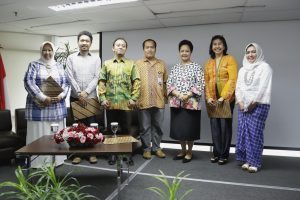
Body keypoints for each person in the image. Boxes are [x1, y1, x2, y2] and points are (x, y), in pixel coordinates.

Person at [24, 41, 69, 168]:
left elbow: (66, 83)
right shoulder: (34, 65)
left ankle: (57, 160)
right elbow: (28, 82)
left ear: (53, 51)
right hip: (39, 107)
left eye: (50, 50)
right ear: (41, 51)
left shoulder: (59, 66)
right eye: (45, 50)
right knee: (40, 133)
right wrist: (43, 97)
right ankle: (38, 162)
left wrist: (60, 95)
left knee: (55, 133)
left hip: (56, 107)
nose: (47, 53)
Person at [98, 37, 140, 165]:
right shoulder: (106, 64)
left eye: (123, 45)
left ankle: (127, 155)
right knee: (111, 131)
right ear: (113, 48)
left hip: (126, 104)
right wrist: (103, 98)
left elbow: (137, 81)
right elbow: (101, 82)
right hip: (110, 104)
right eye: (118, 45)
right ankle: (112, 155)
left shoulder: (131, 64)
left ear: (126, 48)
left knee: (126, 130)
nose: (120, 47)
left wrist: (134, 98)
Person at [235, 43, 272, 173]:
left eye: (253, 52)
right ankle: (247, 160)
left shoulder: (265, 67)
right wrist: (239, 101)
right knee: (244, 133)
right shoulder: (242, 69)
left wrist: (254, 103)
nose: (250, 55)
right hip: (243, 106)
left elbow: (263, 87)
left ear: (258, 53)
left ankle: (255, 162)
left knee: (255, 133)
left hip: (259, 105)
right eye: (248, 52)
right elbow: (238, 87)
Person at [66, 31, 101, 164]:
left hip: (91, 97)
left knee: (91, 126)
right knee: (77, 127)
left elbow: (96, 77)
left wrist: (86, 92)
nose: (84, 43)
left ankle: (92, 153)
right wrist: (79, 92)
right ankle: (78, 153)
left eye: (87, 41)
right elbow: (70, 76)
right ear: (78, 42)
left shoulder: (96, 58)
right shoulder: (71, 58)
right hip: (76, 97)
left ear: (90, 43)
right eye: (82, 40)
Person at [167, 40, 204, 163]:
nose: (184, 53)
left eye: (187, 51)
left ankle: (189, 152)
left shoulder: (196, 67)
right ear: (179, 52)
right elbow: (169, 84)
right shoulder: (174, 68)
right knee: (180, 129)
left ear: (191, 52)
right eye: (182, 51)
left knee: (189, 129)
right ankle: (182, 151)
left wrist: (187, 95)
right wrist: (178, 94)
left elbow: (201, 83)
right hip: (177, 103)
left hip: (191, 103)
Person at [204, 35, 237, 165]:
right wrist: (208, 97)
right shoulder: (209, 62)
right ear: (212, 47)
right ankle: (216, 153)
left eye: (220, 44)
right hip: (213, 98)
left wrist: (225, 96)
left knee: (225, 126)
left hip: (227, 98)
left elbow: (232, 79)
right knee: (214, 126)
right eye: (214, 44)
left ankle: (224, 154)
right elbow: (206, 81)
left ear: (224, 46)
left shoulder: (230, 59)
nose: (217, 46)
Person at [136, 39, 168, 160]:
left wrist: (166, 99)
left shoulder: (162, 63)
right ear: (143, 49)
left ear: (155, 49)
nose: (149, 49)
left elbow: (165, 82)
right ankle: (146, 149)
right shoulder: (137, 64)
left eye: (152, 47)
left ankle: (156, 148)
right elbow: (134, 83)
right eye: (147, 47)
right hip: (143, 100)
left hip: (159, 100)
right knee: (145, 127)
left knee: (158, 126)